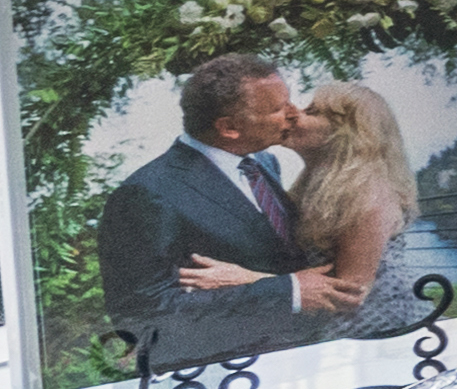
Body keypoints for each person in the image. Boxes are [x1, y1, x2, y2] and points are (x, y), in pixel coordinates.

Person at [98, 54, 345, 346]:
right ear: (229, 128)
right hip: (231, 370)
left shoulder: (263, 163)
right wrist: (286, 292)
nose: (294, 112)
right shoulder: (147, 194)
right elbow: (143, 316)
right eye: (279, 108)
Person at [287, 78, 419, 314]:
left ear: (347, 132)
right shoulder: (313, 187)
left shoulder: (367, 193)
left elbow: (349, 293)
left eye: (312, 111)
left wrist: (245, 279)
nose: (293, 113)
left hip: (381, 332)